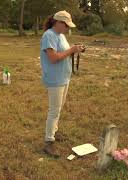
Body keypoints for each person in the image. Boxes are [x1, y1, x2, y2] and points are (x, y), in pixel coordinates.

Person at [40, 10, 85, 158]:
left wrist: (75, 49)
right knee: (54, 110)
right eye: (66, 26)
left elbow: (63, 52)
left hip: (64, 77)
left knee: (58, 109)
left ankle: (53, 132)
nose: (68, 29)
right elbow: (53, 58)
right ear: (58, 23)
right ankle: (48, 142)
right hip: (54, 79)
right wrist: (71, 49)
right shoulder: (49, 36)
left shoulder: (61, 35)